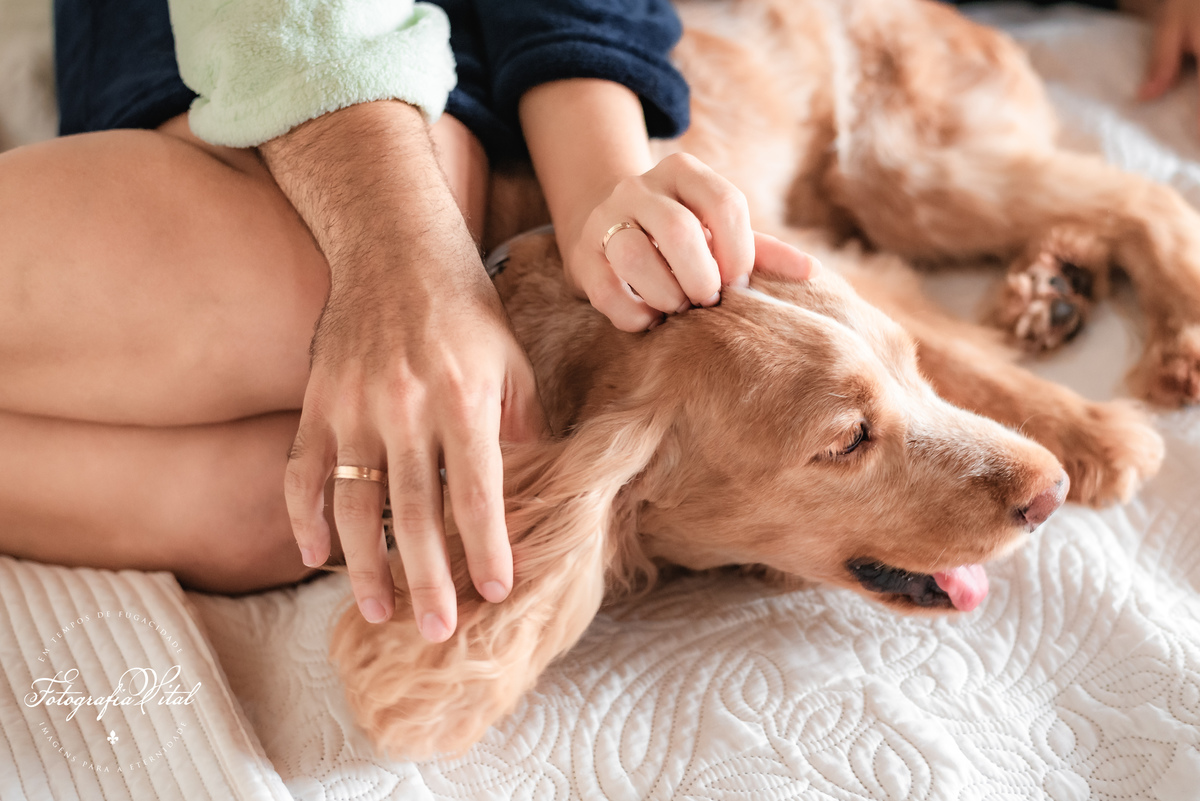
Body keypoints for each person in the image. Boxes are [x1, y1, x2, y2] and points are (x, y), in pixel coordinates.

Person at [0, 0, 815, 643]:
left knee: (279, 507)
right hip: (310, 66)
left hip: (482, 76)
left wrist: (601, 189)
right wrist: (401, 253)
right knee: (301, 300)